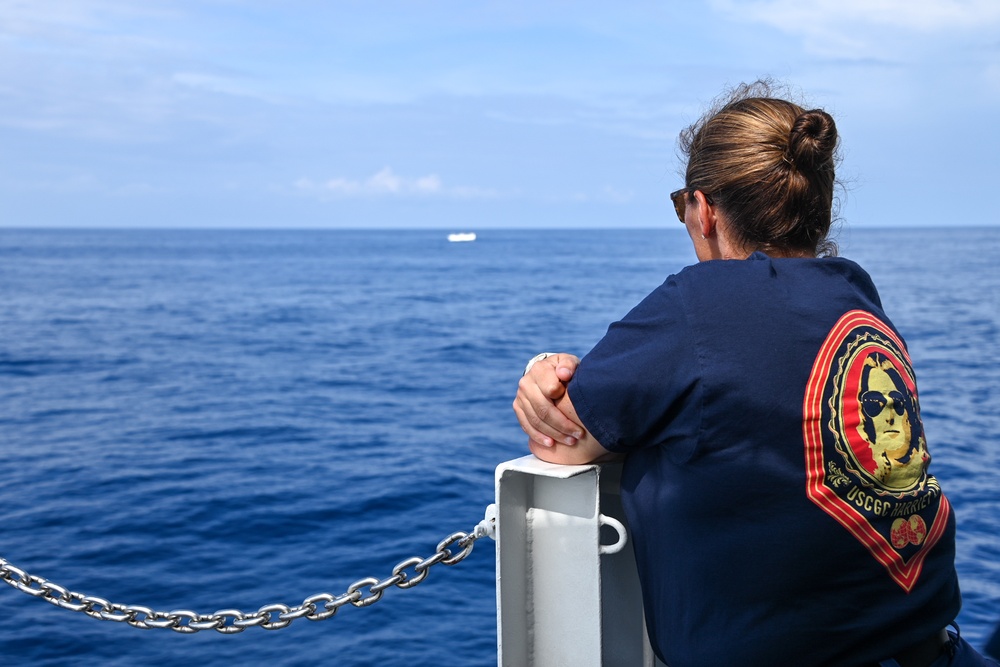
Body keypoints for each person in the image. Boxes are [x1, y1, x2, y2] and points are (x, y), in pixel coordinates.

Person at [512, 81, 998, 667]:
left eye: (681, 207)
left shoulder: (698, 302)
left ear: (705, 209)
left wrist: (542, 370)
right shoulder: (857, 298)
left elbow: (563, 442)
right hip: (933, 649)